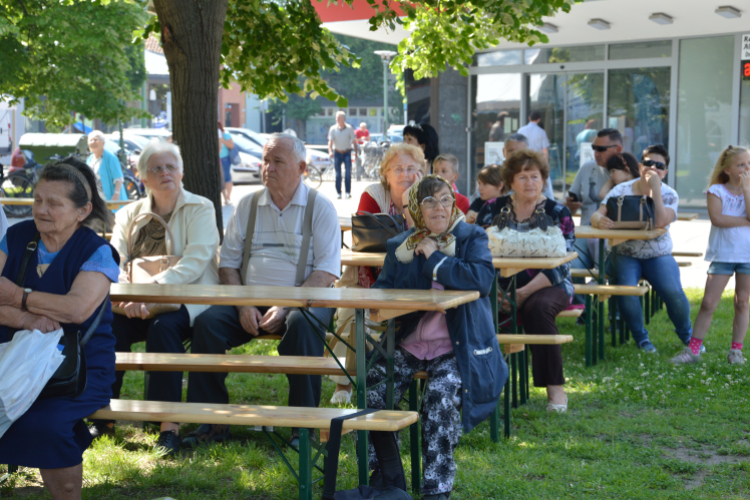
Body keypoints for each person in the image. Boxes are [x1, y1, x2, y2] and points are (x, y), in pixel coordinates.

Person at [185, 133, 341, 446]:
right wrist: (243, 305)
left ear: (301, 167)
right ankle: (211, 421)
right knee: (207, 324)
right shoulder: (247, 205)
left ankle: (303, 425)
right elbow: (227, 264)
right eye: (265, 160)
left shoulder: (320, 207)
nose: (267, 167)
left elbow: (325, 273)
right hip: (249, 301)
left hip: (303, 302)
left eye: (277, 161)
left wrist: (286, 306)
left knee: (303, 324)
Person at [365, 175, 508, 500]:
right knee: (371, 390)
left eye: (445, 199)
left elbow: (481, 281)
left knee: (440, 400)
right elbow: (384, 288)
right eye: (428, 201)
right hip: (410, 342)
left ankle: (436, 489)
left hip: (457, 345)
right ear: (416, 208)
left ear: (454, 202)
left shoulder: (472, 237)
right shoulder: (401, 246)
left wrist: (435, 259)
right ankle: (388, 477)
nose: (439, 207)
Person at [0, 158, 119, 500]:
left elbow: (77, 309)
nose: (42, 209)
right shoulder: (16, 237)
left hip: (77, 369)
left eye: (54, 203)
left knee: (46, 424)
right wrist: (27, 319)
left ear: (82, 211)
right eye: (38, 200)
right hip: (12, 358)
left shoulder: (97, 252)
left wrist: (17, 298)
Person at [92, 140, 220, 456]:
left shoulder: (201, 208)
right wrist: (126, 291)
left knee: (164, 328)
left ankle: (168, 427)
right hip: (133, 302)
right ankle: (103, 416)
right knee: (107, 329)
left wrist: (147, 294)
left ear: (182, 172)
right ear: (143, 178)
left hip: (185, 301)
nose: (165, 173)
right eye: (156, 168)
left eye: (171, 166)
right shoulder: (128, 214)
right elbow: (114, 258)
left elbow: (195, 261)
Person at [478, 150, 574, 411]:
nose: (529, 182)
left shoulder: (558, 212)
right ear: (510, 180)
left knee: (538, 309)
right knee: (475, 307)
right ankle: (480, 387)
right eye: (522, 177)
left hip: (549, 285)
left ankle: (556, 391)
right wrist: (498, 291)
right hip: (497, 286)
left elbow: (563, 265)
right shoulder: (491, 209)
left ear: (543, 179)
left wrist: (522, 293)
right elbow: (477, 254)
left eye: (535, 176)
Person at [330, 143, 426, 403]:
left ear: (421, 172)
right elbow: (366, 238)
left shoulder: (430, 195)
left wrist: (411, 200)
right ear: (386, 173)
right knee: (351, 312)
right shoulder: (373, 194)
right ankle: (344, 385)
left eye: (411, 168)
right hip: (367, 277)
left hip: (414, 283)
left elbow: (428, 236)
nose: (405, 174)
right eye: (398, 168)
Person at [591, 145, 693, 353]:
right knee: (627, 291)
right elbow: (596, 215)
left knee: (673, 291)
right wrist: (600, 220)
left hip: (658, 254)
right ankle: (641, 339)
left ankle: (687, 336)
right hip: (624, 253)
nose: (653, 168)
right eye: (648, 163)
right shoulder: (621, 189)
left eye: (659, 165)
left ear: (665, 172)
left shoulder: (669, 194)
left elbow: (660, 222)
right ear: (640, 165)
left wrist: (655, 189)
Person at [671, 146, 750, 365]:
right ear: (727, 170)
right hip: (723, 254)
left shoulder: (749, 189)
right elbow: (717, 219)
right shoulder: (717, 191)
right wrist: (745, 222)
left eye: (749, 164)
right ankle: (693, 350)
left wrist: (747, 190)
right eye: (741, 164)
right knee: (708, 303)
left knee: (742, 302)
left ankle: (736, 351)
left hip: (748, 256)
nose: (747, 168)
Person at [565, 128, 621, 309]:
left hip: (617, 237)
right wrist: (569, 207)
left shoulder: (629, 171)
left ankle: (616, 315)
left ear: (618, 149)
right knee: (570, 263)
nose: (596, 153)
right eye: (594, 148)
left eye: (601, 149)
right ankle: (585, 311)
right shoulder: (587, 168)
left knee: (619, 269)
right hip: (586, 233)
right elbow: (570, 202)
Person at [504, 133, 554, 199]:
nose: (515, 155)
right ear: (503, 152)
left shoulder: (538, 171)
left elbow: (549, 200)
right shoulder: (496, 172)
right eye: (511, 151)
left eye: (520, 151)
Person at [87, 130, 126, 202]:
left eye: (96, 139)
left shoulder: (110, 157)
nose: (93, 142)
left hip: (111, 198)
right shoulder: (90, 159)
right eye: (90, 140)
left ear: (103, 143)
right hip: (96, 199)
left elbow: (119, 178)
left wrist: (116, 194)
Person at [328, 111, 358, 199]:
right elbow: (330, 141)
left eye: (339, 117)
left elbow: (354, 141)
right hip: (337, 152)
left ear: (343, 119)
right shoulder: (333, 129)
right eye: (336, 118)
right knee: (338, 174)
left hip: (347, 152)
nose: (337, 119)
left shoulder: (349, 128)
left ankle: (348, 192)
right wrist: (330, 151)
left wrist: (356, 153)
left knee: (348, 173)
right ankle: (339, 193)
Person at [218, 121, 235, 205]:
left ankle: (228, 197)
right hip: (218, 158)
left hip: (224, 158)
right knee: (221, 178)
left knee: (226, 177)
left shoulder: (225, 134)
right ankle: (226, 198)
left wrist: (221, 140)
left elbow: (231, 145)